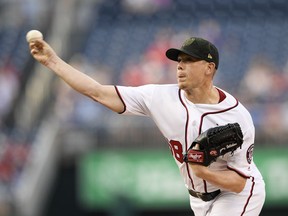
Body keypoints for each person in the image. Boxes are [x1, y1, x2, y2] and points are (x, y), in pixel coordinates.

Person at [28, 36, 266, 215]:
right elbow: (98, 92)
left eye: (189, 60)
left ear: (209, 68)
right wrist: (52, 61)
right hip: (198, 199)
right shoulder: (159, 97)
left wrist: (202, 171)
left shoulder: (236, 117)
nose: (180, 66)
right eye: (179, 60)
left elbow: (240, 182)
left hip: (237, 195)